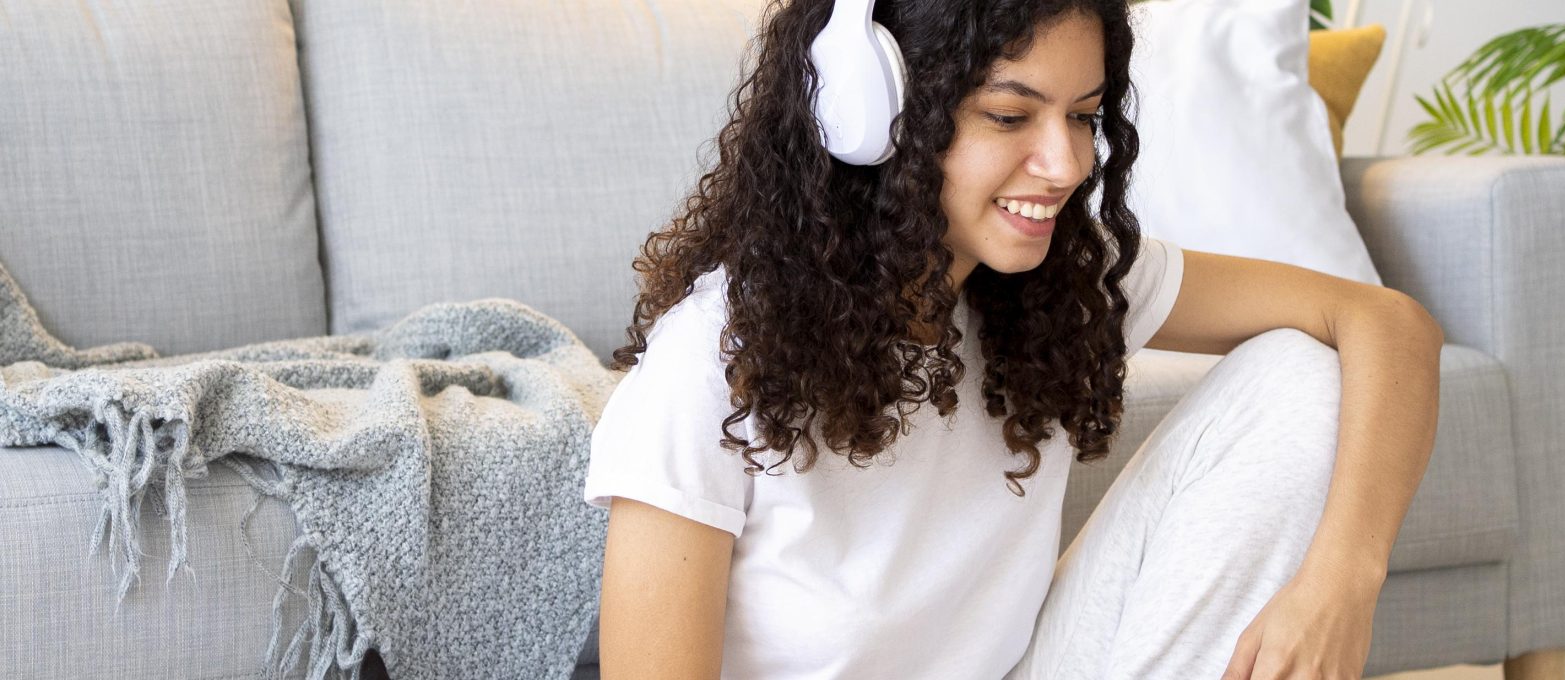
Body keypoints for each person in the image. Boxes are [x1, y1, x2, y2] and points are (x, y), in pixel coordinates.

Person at [583, 1, 1444, 678]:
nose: (1066, 165)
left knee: (1299, 376)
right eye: (1009, 115)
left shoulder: (1064, 280)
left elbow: (1386, 324)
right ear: (874, 117)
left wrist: (1342, 585)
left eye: (1082, 116)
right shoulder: (710, 363)